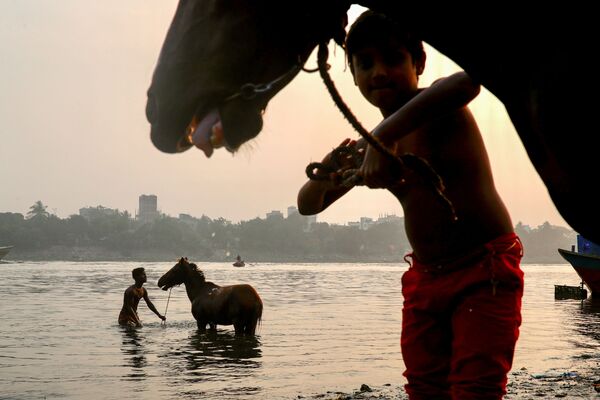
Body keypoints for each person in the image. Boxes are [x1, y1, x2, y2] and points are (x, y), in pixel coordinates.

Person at [297, 10, 523, 399]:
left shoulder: (438, 108)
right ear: (351, 74)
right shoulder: (370, 147)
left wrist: (381, 135)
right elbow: (307, 205)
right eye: (365, 64)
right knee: (424, 388)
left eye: (393, 58)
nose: (379, 72)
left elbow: (468, 81)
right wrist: (330, 172)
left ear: (418, 63)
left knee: (475, 388)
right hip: (425, 281)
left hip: (483, 270)